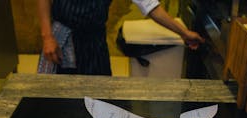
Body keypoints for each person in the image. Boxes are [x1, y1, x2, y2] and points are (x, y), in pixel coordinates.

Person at [37, 0, 204, 75]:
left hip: (95, 43)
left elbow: (151, 6)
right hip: (63, 41)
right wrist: (47, 37)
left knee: (100, 99)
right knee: (62, 100)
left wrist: (184, 33)